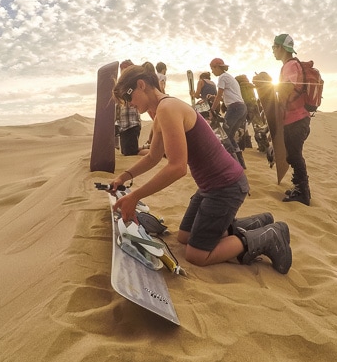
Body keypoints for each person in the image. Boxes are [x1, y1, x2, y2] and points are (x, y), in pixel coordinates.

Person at [108, 64, 292, 272]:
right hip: (211, 186)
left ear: (141, 85)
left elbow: (177, 168)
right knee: (185, 237)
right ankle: (257, 222)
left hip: (225, 186)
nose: (128, 104)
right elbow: (153, 156)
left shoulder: (167, 109)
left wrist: (134, 197)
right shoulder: (162, 111)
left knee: (197, 255)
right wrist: (124, 177)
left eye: (128, 97)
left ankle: (270, 235)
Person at [272, 34, 311, 205]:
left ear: (281, 48)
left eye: (274, 47)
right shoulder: (291, 65)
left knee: (295, 156)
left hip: (296, 119)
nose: (273, 51)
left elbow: (287, 91)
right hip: (295, 119)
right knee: (292, 155)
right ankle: (299, 187)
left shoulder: (290, 66)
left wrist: (275, 103)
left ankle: (303, 193)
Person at [209, 58, 247, 169]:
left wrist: (212, 110)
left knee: (223, 136)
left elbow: (220, 95)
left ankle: (234, 164)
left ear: (217, 67)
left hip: (234, 108)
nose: (212, 71)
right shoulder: (230, 77)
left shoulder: (222, 77)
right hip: (241, 108)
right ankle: (241, 164)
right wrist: (213, 97)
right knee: (229, 136)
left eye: (212, 68)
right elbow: (227, 97)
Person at [116, 59, 142, 156]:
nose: (122, 72)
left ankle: (158, 155)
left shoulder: (131, 85)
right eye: (122, 70)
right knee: (127, 152)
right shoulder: (121, 85)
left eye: (125, 69)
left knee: (131, 153)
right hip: (124, 126)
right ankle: (152, 151)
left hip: (131, 124)